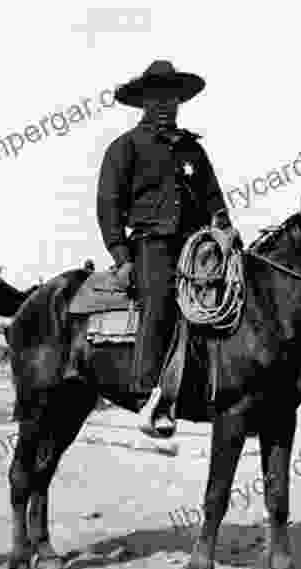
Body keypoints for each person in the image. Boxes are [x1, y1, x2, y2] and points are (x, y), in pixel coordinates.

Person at [96, 60, 234, 438]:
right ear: (143, 101)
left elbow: (214, 200)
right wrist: (122, 258)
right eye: (157, 97)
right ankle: (147, 393)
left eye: (171, 98)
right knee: (160, 301)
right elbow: (108, 207)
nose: (165, 105)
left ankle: (223, 389)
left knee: (229, 298)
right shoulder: (125, 148)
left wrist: (224, 230)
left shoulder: (193, 150)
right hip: (150, 246)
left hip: (197, 246)